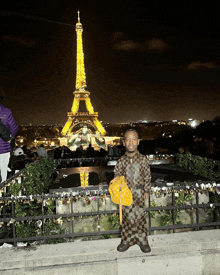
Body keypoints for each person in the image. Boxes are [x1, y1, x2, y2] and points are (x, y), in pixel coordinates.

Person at [114, 129, 151, 253]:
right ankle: (126, 240)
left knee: (140, 217)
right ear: (124, 142)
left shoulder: (143, 159)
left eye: (134, 139)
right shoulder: (121, 161)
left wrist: (147, 190)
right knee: (127, 217)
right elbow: (116, 178)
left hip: (139, 193)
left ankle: (142, 241)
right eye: (128, 139)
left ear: (138, 142)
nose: (131, 142)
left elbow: (147, 175)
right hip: (125, 194)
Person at [0, 89, 18, 183]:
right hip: (3, 149)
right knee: (3, 180)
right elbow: (14, 128)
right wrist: (9, 137)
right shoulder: (6, 111)